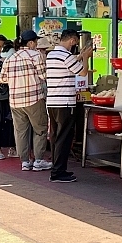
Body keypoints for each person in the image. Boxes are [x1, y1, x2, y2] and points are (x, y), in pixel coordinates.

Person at [2, 31, 52, 172]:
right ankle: (38, 160)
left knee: (21, 132)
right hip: (34, 98)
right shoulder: (36, 55)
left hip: (15, 101)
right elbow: (44, 76)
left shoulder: (10, 58)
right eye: (35, 42)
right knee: (40, 129)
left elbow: (3, 78)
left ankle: (24, 161)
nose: (36, 45)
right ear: (30, 43)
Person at [46, 28, 92, 183]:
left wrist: (79, 56)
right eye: (75, 43)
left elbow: (70, 64)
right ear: (72, 40)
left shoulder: (52, 54)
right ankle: (58, 172)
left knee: (55, 136)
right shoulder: (66, 56)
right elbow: (83, 72)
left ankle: (56, 168)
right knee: (64, 137)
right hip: (65, 102)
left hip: (52, 102)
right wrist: (85, 57)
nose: (75, 46)